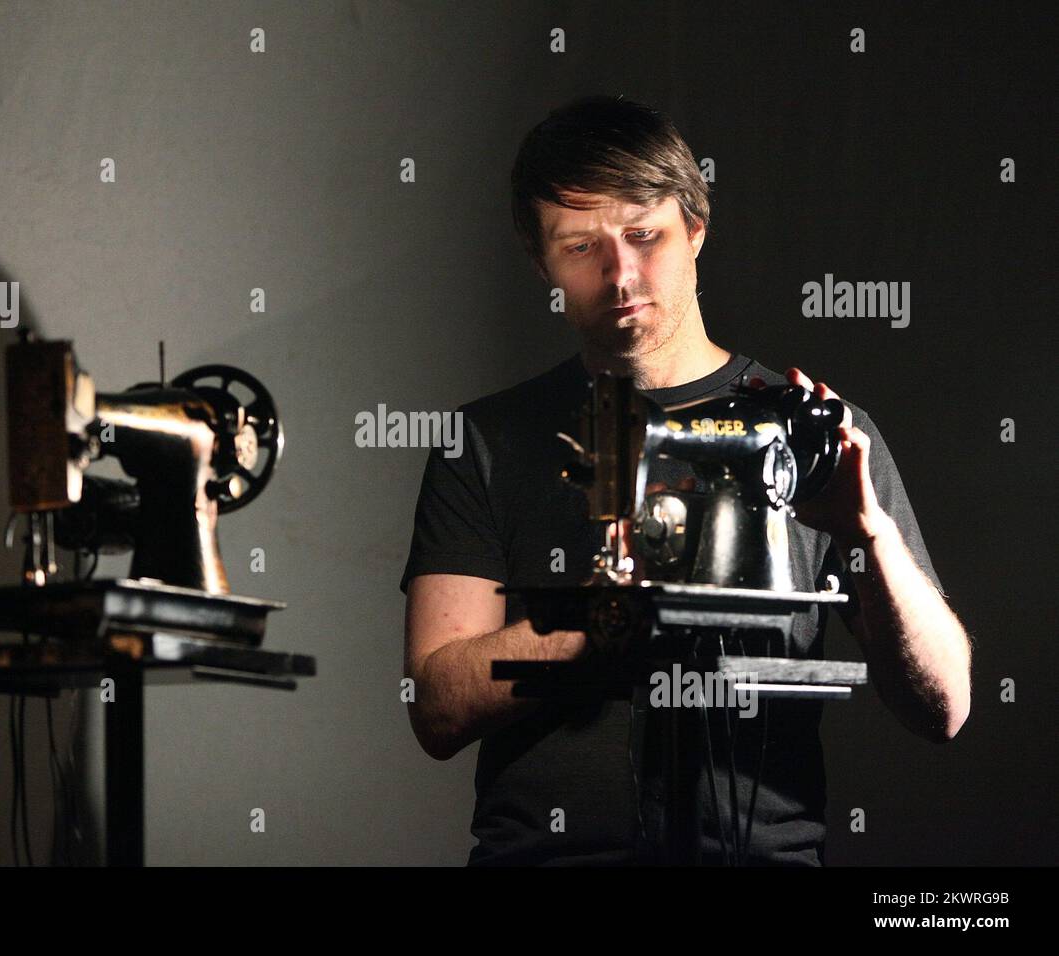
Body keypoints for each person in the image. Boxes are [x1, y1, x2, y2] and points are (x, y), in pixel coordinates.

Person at [399, 96, 972, 866]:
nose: (621, 274)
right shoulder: (486, 443)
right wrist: (607, 622)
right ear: (543, 266)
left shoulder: (814, 432)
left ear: (695, 229)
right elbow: (436, 706)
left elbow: (944, 707)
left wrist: (867, 533)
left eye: (645, 235)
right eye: (580, 247)